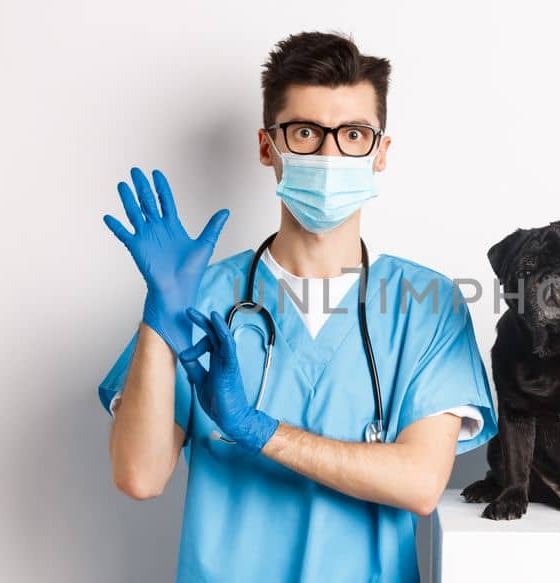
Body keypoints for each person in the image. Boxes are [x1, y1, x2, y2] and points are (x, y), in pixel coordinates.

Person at [95, 31, 497, 582]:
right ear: (268, 146)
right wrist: (158, 319)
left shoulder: (427, 304)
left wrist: (258, 429)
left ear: (380, 152)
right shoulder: (200, 297)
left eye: (353, 134)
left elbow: (420, 483)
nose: (330, 154)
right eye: (305, 132)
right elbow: (140, 477)